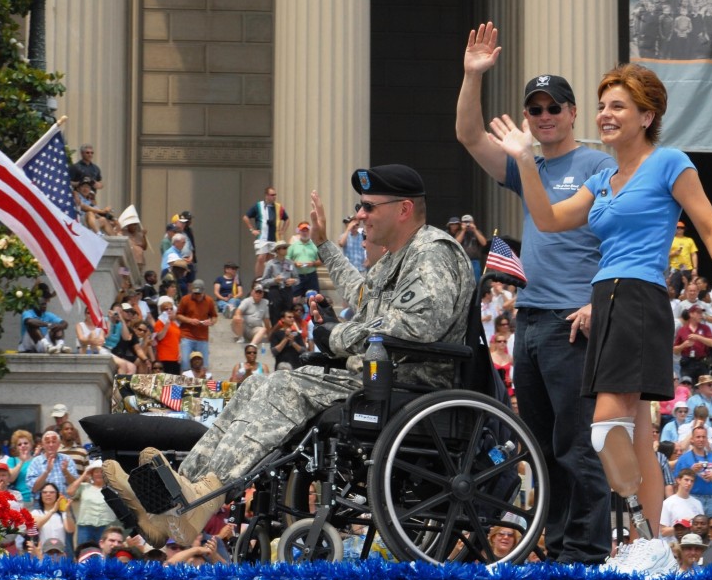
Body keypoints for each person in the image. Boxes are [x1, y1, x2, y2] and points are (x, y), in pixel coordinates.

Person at [105, 164, 474, 546]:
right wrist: (324, 246)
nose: (360, 215)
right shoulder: (402, 256)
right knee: (254, 387)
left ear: (403, 209)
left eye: (368, 207)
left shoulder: (434, 253)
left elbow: (418, 326)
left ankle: (200, 500)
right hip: (381, 375)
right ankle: (176, 496)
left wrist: (338, 336)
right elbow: (366, 300)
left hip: (412, 383)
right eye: (360, 206)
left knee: (282, 388)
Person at [489, 62, 712, 576]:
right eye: (603, 105)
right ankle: (656, 541)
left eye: (617, 106)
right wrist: (525, 161)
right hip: (604, 299)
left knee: (603, 427)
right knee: (634, 431)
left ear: (646, 114)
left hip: (639, 299)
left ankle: (643, 537)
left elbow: (709, 224)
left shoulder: (669, 162)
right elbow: (548, 220)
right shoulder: (604, 179)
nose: (605, 115)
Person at [456, 23, 615, 565]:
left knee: (578, 443)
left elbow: (625, 238)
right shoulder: (529, 164)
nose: (544, 117)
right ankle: (557, 542)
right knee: (542, 445)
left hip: (577, 319)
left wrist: (601, 301)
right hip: (530, 320)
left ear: (573, 113)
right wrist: (472, 76)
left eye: (554, 108)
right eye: (535, 110)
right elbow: (470, 136)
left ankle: (587, 550)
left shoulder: (599, 165)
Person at [243, 186, 289, 282]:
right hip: (262, 238)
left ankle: (268, 279)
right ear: (266, 196)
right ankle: (258, 279)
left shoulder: (278, 207)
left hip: (274, 238)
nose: (274, 197)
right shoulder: (258, 206)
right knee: (261, 257)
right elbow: (246, 217)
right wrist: (252, 230)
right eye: (272, 195)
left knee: (271, 260)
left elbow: (287, 219)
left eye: (275, 195)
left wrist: (283, 230)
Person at [66, 460, 117, 546]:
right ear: (92, 474)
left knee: (105, 555)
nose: (99, 474)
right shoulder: (84, 487)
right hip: (85, 527)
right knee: (84, 552)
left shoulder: (113, 490)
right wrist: (83, 475)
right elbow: (70, 491)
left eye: (102, 472)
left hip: (106, 527)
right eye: (96, 472)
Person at [175, 279, 217, 372]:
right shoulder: (185, 299)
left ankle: (202, 383)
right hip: (187, 335)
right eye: (195, 293)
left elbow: (214, 316)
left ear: (203, 291)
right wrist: (189, 320)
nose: (197, 296)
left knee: (204, 364)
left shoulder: (209, 301)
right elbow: (178, 315)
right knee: (185, 362)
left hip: (202, 337)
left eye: (199, 294)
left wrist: (210, 322)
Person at [19, 284, 71, 354]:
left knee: (58, 326)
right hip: (28, 344)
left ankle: (60, 346)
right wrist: (48, 324)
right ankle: (47, 346)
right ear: (35, 303)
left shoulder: (48, 314)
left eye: (45, 304)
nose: (45, 305)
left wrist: (59, 326)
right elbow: (29, 321)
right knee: (32, 326)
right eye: (42, 304)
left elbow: (65, 323)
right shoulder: (27, 313)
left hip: (40, 344)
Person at [287, 221, 322, 297]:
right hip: (297, 276)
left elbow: (321, 261)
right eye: (303, 231)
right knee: (294, 299)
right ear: (299, 232)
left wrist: (313, 263)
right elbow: (287, 260)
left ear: (309, 231)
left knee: (314, 298)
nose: (304, 233)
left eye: (306, 230)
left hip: (311, 276)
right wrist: (294, 264)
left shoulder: (315, 245)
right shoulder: (293, 245)